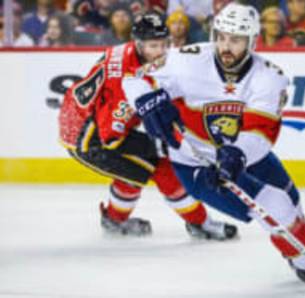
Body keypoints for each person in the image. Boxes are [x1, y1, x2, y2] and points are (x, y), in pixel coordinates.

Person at [123, 2, 305, 289]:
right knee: (276, 205)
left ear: (252, 41)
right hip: (197, 163)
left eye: (235, 40)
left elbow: (260, 132)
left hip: (246, 155)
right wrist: (146, 101)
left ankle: (302, 262)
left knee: (291, 200)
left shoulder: (270, 78)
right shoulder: (186, 60)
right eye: (221, 37)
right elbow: (134, 78)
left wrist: (237, 155)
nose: (226, 46)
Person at [58, 11, 237, 239]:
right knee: (157, 167)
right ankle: (200, 224)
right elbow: (110, 134)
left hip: (86, 116)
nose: (161, 51)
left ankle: (114, 220)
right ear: (139, 44)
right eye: (154, 46)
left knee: (139, 169)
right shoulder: (125, 81)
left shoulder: (136, 56)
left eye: (164, 44)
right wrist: (160, 139)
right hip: (88, 136)